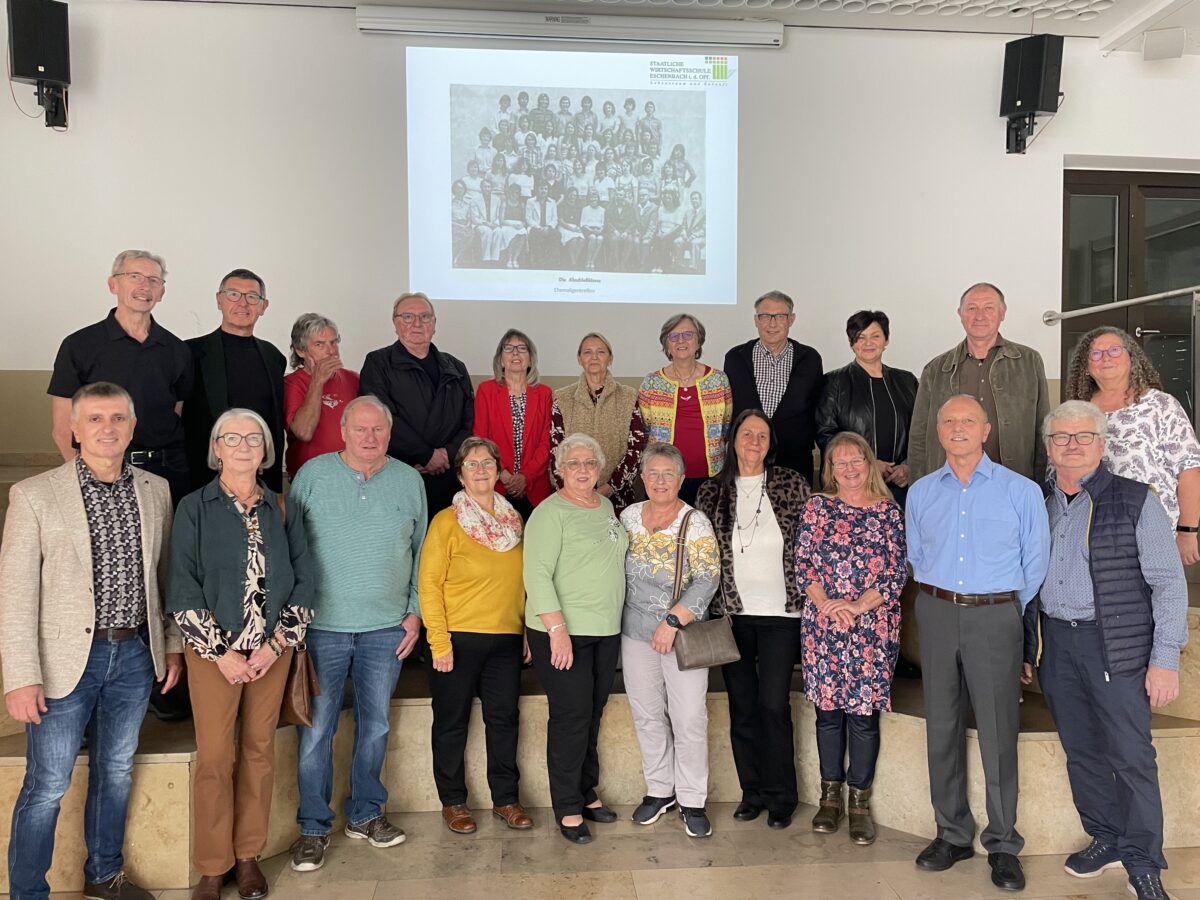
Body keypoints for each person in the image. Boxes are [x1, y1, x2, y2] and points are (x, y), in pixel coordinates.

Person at [0, 382, 182, 900]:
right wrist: (21, 675)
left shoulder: (155, 490)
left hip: (132, 656)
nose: (108, 428)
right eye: (96, 419)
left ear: (132, 427)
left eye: (118, 418)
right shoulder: (34, 495)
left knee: (116, 771)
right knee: (47, 786)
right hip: (61, 665)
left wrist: (168, 645)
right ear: (75, 430)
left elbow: (164, 578)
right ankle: (27, 892)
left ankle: (104, 875)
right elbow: (14, 595)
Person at [1026, 400, 1188, 900]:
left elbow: (1168, 583)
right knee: (1082, 752)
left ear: (1101, 444)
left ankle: (1142, 861)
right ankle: (1106, 836)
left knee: (1131, 755)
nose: (1071, 445)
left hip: (1115, 645)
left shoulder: (1136, 499)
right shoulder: (1037, 502)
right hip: (1057, 644)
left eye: (1083, 436)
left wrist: (1165, 658)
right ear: (1049, 447)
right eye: (1061, 437)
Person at [166, 408, 313, 900]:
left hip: (272, 653)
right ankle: (213, 865)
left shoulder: (283, 506)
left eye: (254, 437)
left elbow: (306, 580)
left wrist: (275, 646)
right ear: (217, 448)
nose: (244, 445)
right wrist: (221, 653)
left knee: (259, 751)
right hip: (214, 654)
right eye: (232, 437)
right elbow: (181, 586)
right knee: (214, 755)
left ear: (266, 450)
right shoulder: (194, 507)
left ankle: (247, 856)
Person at [906, 395, 1049, 893]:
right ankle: (952, 834)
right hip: (937, 612)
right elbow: (916, 553)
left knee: (997, 728)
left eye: (968, 420)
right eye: (949, 420)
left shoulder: (1021, 491)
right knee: (941, 726)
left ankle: (1004, 843)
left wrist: (1003, 607)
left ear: (986, 430)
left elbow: (1036, 564)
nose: (958, 427)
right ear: (939, 430)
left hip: (995, 616)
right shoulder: (922, 492)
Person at [287, 396, 426, 872]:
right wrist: (295, 620)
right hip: (323, 627)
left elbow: (422, 552)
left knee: (376, 726)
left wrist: (415, 613)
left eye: (379, 430)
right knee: (317, 730)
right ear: (343, 431)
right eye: (361, 429)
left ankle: (366, 814)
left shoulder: (409, 480)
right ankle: (312, 826)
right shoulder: (312, 475)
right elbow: (292, 549)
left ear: (389, 433)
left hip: (386, 628)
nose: (370, 437)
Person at [695, 409, 812, 829]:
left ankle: (782, 795)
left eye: (762, 435)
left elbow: (809, 545)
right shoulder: (711, 492)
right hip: (733, 617)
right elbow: (703, 556)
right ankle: (753, 792)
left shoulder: (791, 484)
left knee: (772, 704)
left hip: (783, 615)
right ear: (733, 441)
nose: (754, 442)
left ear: (770, 443)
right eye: (747, 434)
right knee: (742, 706)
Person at [418, 436, 534, 836]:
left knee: (504, 720)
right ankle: (453, 801)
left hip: (504, 637)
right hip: (457, 638)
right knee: (451, 722)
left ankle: (506, 798)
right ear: (460, 473)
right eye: (472, 464)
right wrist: (439, 642)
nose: (481, 469)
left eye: (488, 462)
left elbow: (522, 581)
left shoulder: (514, 519)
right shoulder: (446, 522)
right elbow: (429, 584)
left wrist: (523, 628)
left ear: (498, 469)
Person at [796, 432, 906, 846]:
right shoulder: (817, 507)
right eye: (838, 462)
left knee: (862, 718)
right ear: (830, 470)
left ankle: (859, 803)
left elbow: (895, 572)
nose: (848, 468)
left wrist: (857, 607)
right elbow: (803, 563)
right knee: (828, 715)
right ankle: (830, 798)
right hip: (824, 627)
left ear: (869, 462)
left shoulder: (888, 512)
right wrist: (829, 606)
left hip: (872, 630)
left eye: (855, 460)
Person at [524, 433, 630, 845]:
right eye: (574, 463)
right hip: (562, 632)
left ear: (600, 468)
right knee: (571, 718)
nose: (583, 469)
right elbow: (536, 576)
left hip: (605, 630)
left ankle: (586, 794)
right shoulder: (549, 513)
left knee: (592, 713)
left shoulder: (604, 506)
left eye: (589, 462)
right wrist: (556, 631)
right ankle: (567, 807)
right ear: (559, 470)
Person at [620, 443, 720, 838]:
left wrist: (672, 621)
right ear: (643, 478)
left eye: (668, 474)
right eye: (653, 473)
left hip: (682, 633)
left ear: (681, 479)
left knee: (689, 717)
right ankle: (660, 790)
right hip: (633, 632)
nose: (660, 481)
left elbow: (708, 577)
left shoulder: (694, 522)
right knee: (646, 714)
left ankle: (692, 798)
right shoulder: (627, 517)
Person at [48, 249, 193, 505]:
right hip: (102, 471)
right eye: (134, 276)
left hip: (168, 473)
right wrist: (89, 478)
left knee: (167, 545)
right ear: (113, 284)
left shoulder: (177, 349)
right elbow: (62, 430)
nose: (144, 286)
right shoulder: (79, 345)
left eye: (153, 280)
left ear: (161, 292)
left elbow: (175, 414)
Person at [1064, 326, 1200, 565]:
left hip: (1151, 533)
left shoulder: (1160, 406)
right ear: (1086, 366)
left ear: (1131, 357)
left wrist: (1188, 531)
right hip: (1089, 535)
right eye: (1095, 353)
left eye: (1115, 350)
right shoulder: (1074, 412)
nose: (1105, 357)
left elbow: (1189, 470)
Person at [908, 283, 1050, 482]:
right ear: (960, 313)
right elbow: (919, 438)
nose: (980, 316)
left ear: (1002, 313)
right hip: (950, 484)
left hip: (1012, 482)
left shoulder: (1029, 361)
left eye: (989, 308)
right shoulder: (936, 370)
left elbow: (1042, 429)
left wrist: (1039, 486)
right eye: (972, 308)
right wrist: (919, 489)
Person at [360, 292, 474, 518]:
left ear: (434, 324)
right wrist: (425, 455)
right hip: (400, 474)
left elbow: (468, 422)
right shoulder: (378, 363)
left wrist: (445, 455)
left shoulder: (456, 367)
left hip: (450, 478)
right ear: (395, 323)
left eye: (424, 317)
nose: (417, 323)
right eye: (408, 317)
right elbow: (381, 420)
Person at [181, 268, 287, 493]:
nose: (242, 303)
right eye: (233, 294)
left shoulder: (274, 357)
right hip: (203, 477)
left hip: (261, 478)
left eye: (251, 297)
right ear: (219, 300)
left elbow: (275, 423)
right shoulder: (190, 353)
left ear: (263, 306)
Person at [816, 310, 919, 505]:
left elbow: (921, 431)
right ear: (851, 342)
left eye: (875, 336)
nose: (868, 343)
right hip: (853, 485)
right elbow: (825, 434)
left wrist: (908, 466)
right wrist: (868, 463)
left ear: (886, 340)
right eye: (860, 337)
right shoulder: (834, 382)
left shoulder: (907, 381)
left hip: (901, 487)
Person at [723, 290, 824, 485]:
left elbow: (816, 408)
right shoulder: (735, 358)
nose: (772, 323)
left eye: (780, 316)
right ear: (756, 320)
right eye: (765, 316)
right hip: (746, 460)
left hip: (795, 461)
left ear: (791, 319)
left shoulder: (810, 358)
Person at [639, 314, 733, 505]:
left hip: (711, 476)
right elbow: (645, 429)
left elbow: (726, 426)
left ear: (699, 341)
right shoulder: (652, 382)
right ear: (666, 344)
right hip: (664, 480)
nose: (681, 341)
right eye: (673, 336)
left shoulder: (718, 380)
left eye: (688, 335)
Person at [550, 332, 646, 514]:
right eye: (587, 352)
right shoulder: (562, 398)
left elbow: (636, 448)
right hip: (571, 499)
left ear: (610, 359)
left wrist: (609, 487)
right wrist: (573, 492)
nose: (594, 357)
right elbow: (556, 451)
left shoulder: (628, 396)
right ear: (579, 359)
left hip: (618, 497)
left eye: (600, 352)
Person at [473, 330, 553, 519]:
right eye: (508, 348)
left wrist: (526, 477)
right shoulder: (486, 391)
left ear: (531, 359)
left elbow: (546, 442)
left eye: (522, 348)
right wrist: (504, 475)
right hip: (496, 484)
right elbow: (480, 439)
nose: (515, 353)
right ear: (500, 360)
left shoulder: (544, 394)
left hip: (534, 488)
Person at [284, 313, 360, 478]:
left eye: (333, 342)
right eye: (320, 344)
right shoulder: (291, 383)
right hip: (311, 478)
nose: (331, 351)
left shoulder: (353, 379)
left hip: (352, 476)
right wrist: (317, 381)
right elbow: (304, 432)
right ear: (300, 350)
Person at [525, 180, 558, 268]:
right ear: (537, 190)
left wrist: (549, 227)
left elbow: (555, 219)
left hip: (548, 228)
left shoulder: (552, 202)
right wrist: (539, 227)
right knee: (536, 235)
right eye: (541, 188)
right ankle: (539, 262)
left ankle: (551, 261)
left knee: (557, 235)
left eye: (545, 189)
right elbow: (528, 218)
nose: (543, 191)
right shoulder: (530, 201)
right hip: (535, 227)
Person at [580, 189, 606, 271]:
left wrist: (600, 230)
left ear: (598, 199)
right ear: (589, 199)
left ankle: (592, 261)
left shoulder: (602, 210)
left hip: (598, 230)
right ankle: (588, 261)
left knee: (600, 239)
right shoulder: (585, 209)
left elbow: (603, 223)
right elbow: (582, 223)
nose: (593, 200)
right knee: (593, 238)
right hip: (587, 230)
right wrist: (591, 230)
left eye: (595, 198)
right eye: (592, 198)